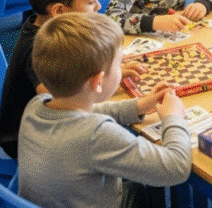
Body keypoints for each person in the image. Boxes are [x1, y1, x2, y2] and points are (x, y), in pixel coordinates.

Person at [18, 12, 191, 208]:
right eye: (119, 64)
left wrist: (138, 106)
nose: (121, 68)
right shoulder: (97, 136)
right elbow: (176, 168)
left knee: (135, 187)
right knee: (139, 191)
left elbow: (89, 113)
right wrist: (173, 117)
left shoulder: (36, 105)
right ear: (98, 81)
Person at [0, 0, 146, 159]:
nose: (98, 7)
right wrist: (106, 83)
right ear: (59, 11)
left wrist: (111, 73)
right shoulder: (40, 49)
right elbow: (64, 106)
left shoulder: (53, 31)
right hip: (28, 142)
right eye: (90, 1)